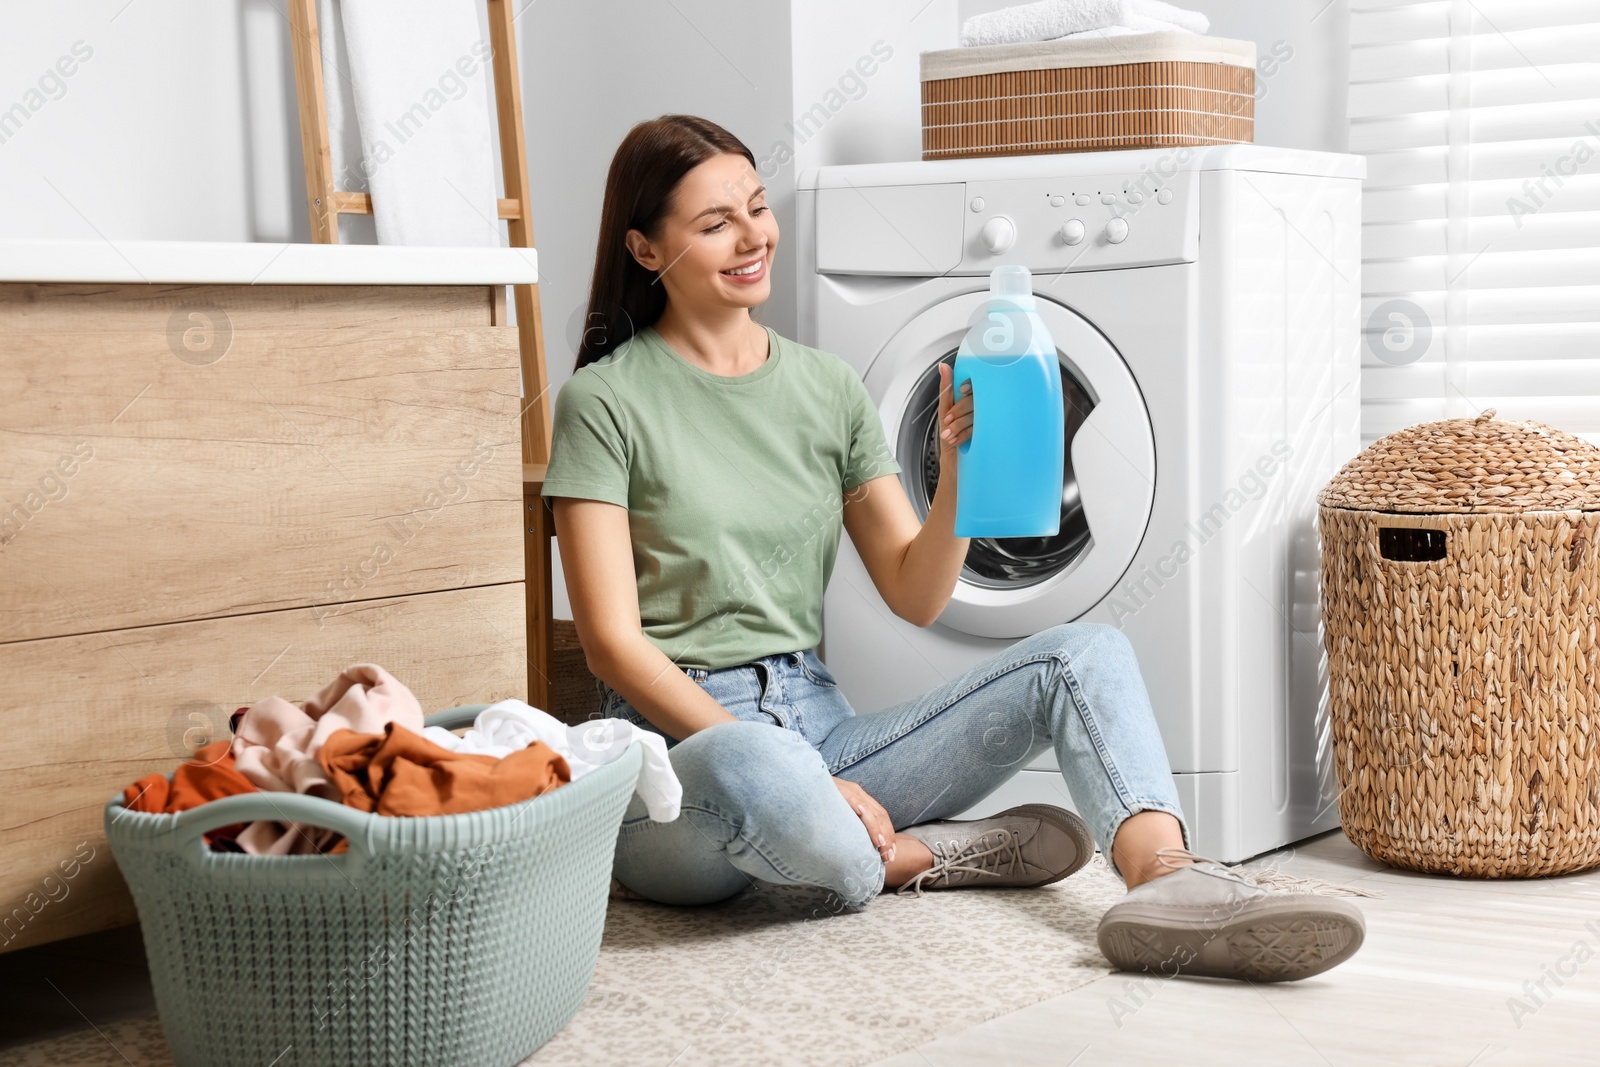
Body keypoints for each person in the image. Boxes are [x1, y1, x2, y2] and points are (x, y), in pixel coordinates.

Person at [540, 114, 1368, 983]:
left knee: (1084, 653)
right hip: (681, 766)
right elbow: (612, 644)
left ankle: (1170, 881)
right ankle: (919, 855)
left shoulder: (824, 389)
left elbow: (915, 589)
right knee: (759, 763)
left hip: (821, 729)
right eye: (715, 224)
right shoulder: (604, 403)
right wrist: (799, 776)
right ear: (643, 248)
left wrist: (960, 480)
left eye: (756, 207)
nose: (753, 237)